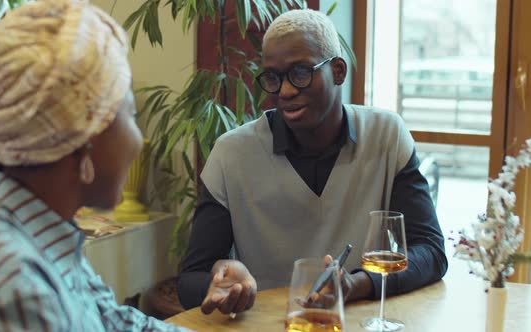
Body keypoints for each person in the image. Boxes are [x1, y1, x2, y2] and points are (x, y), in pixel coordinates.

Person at [177, 9, 448, 314]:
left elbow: (431, 252)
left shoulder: (386, 136)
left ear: (338, 71)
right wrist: (221, 284)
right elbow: (189, 280)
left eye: (301, 73)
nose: (286, 91)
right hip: (269, 325)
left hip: (354, 321)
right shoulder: (231, 155)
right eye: (273, 78)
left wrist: (356, 285)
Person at [0, 1, 190, 331]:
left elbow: (112, 319)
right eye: (131, 117)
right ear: (84, 140)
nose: (137, 141)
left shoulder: (9, 205)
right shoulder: (17, 296)